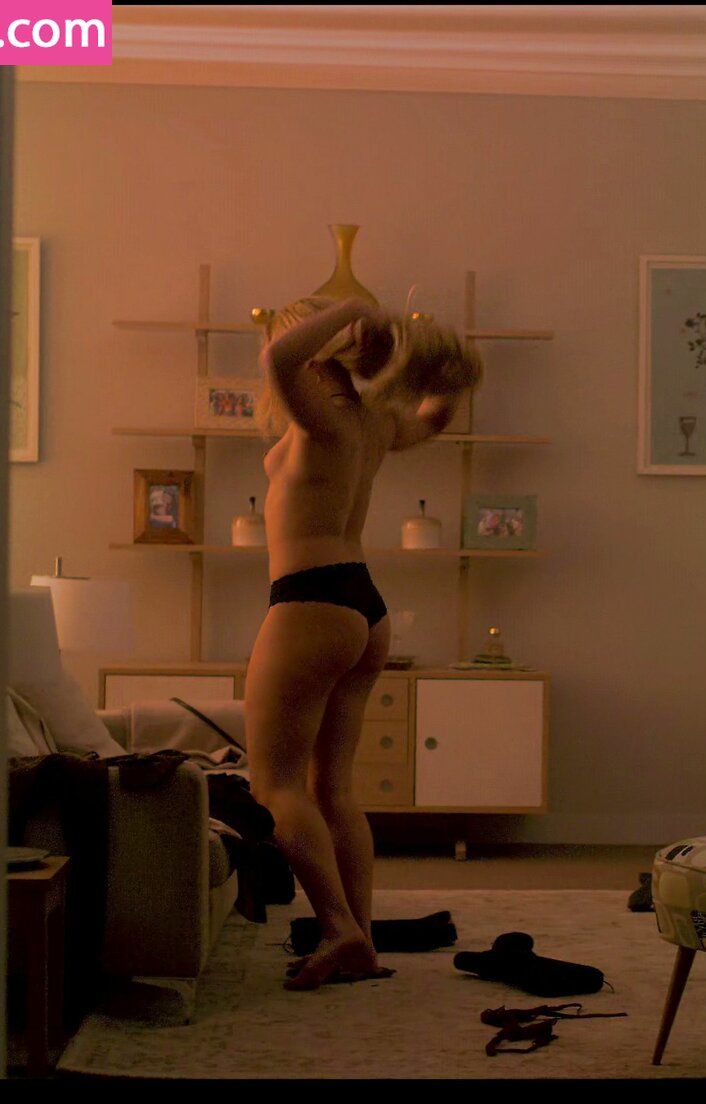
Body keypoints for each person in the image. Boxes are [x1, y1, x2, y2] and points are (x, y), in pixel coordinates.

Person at [250, 295, 480, 990]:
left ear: (318, 350)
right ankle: (362, 941)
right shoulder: (373, 421)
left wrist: (352, 307)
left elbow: (278, 357)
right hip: (363, 606)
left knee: (274, 786)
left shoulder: (319, 414)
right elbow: (436, 416)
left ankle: (338, 929)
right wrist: (441, 361)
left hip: (311, 601)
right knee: (333, 788)